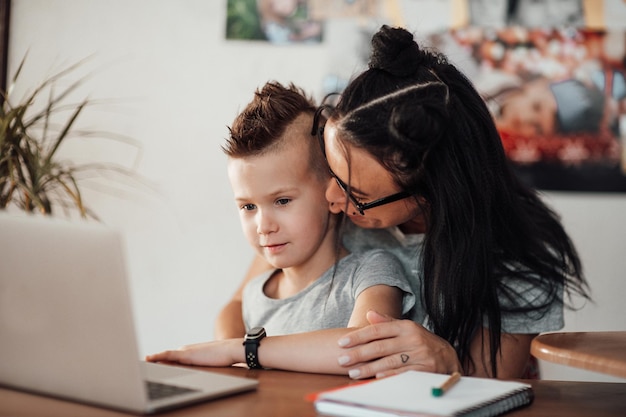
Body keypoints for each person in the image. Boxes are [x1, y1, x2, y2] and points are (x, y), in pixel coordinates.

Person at [213, 25, 590, 380]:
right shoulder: (318, 212)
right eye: (332, 173)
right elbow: (239, 307)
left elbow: (489, 387)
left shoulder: (517, 262)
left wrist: (448, 361)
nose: (331, 199)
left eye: (356, 195)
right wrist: (234, 359)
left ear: (429, 193)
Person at [146, 81, 414, 375]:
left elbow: (365, 351)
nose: (264, 226)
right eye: (248, 206)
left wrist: (240, 350)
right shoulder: (253, 296)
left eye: (282, 200)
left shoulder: (373, 272)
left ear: (333, 195)